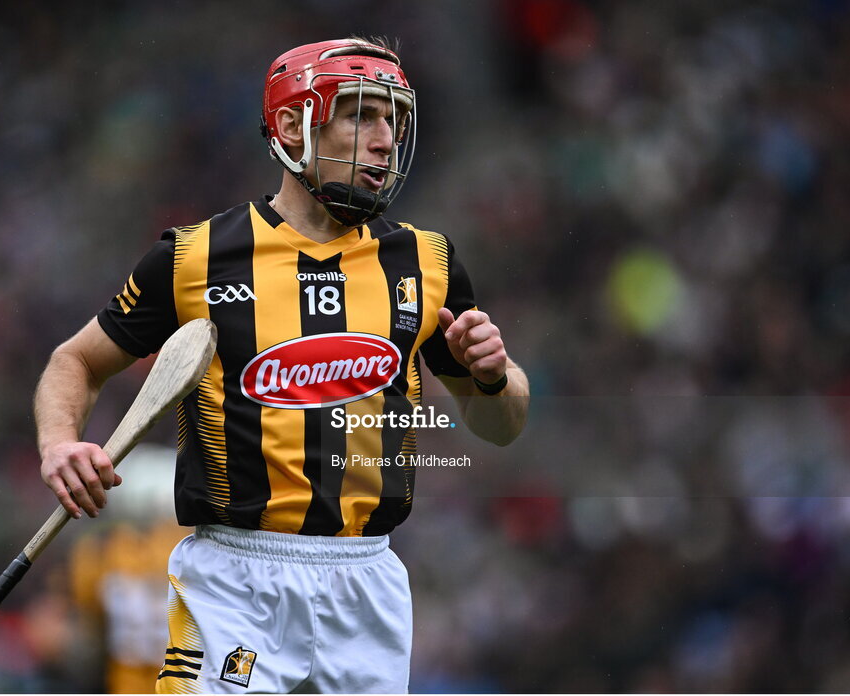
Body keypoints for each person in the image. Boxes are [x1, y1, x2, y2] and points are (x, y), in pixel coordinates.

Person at [34, 36, 529, 693]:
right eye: (362, 116)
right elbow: (76, 361)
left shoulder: (427, 263)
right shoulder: (195, 258)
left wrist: (494, 376)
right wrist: (59, 444)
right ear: (293, 125)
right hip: (237, 582)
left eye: (394, 121)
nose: (385, 140)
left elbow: (499, 423)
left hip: (368, 583)